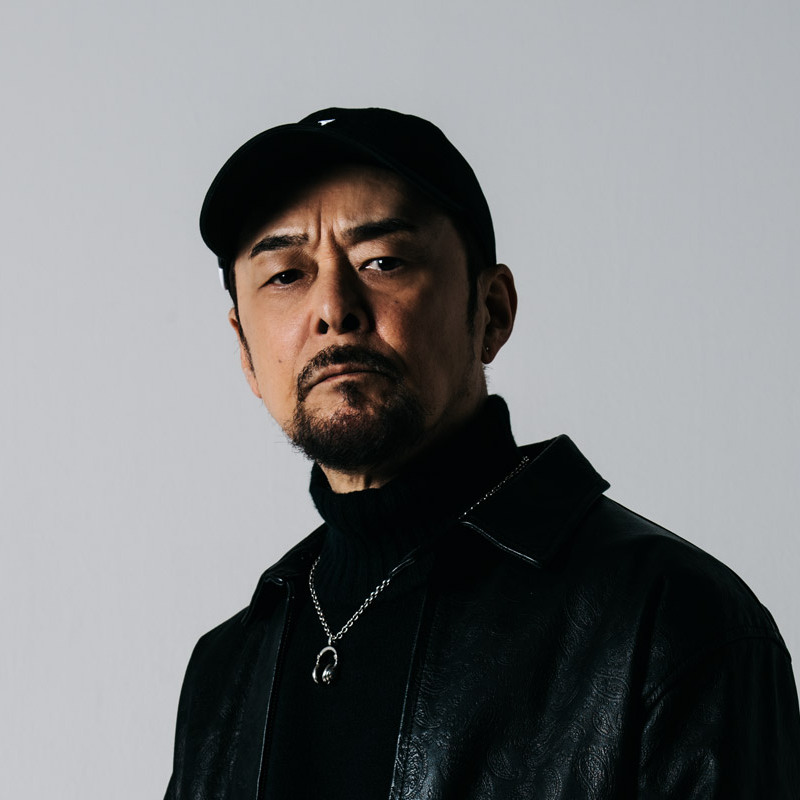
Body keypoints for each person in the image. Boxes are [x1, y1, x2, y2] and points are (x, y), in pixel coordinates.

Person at [165, 107, 800, 798]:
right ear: (246, 350)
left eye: (383, 261)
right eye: (286, 275)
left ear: (491, 311)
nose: (333, 309)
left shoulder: (670, 623)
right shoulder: (226, 672)